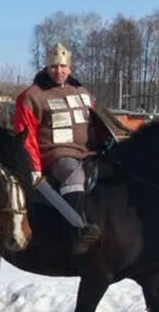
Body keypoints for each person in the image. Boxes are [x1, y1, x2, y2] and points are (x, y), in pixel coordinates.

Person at [14, 42, 99, 254]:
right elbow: (25, 133)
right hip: (56, 155)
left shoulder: (82, 92)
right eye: (54, 67)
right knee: (73, 174)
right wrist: (32, 165)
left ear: (70, 68)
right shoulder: (33, 95)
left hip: (87, 152)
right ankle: (76, 231)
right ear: (46, 68)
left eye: (63, 67)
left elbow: (96, 123)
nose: (58, 71)